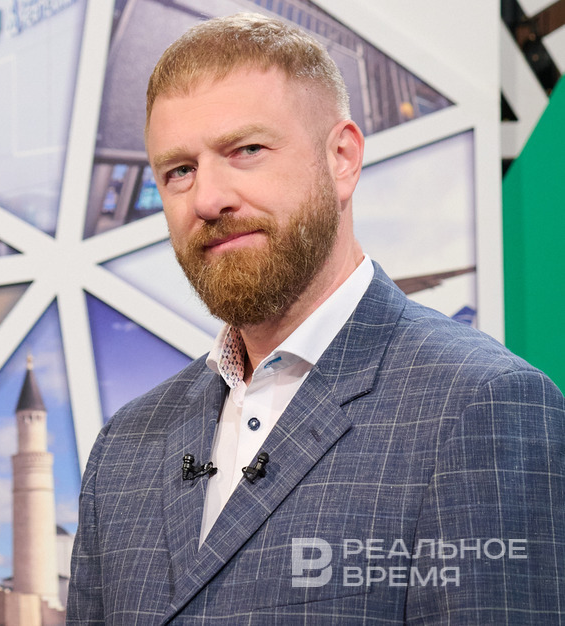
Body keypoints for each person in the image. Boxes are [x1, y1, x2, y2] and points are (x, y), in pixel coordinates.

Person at [67, 12, 565, 625]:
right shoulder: (122, 448)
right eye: (180, 171)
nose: (208, 199)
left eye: (246, 150)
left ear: (342, 159)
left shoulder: (480, 406)